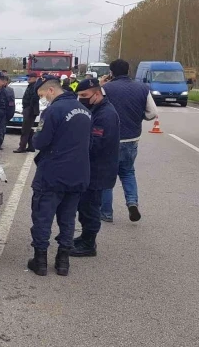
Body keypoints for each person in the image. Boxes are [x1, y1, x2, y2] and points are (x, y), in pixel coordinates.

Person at [27, 77, 91, 276]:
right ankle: (63, 262)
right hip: (78, 172)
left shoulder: (53, 111)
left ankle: (40, 261)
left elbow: (41, 141)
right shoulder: (85, 111)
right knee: (68, 219)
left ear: (51, 90)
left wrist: (34, 136)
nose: (43, 99)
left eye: (43, 95)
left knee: (42, 217)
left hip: (53, 173)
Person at [100, 59, 158, 223]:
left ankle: (106, 213)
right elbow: (152, 113)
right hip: (132, 138)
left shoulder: (106, 89)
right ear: (128, 70)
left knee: (106, 176)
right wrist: (139, 117)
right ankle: (132, 203)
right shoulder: (142, 88)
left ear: (111, 72)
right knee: (127, 172)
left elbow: (94, 107)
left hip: (110, 139)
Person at [71, 78, 120, 257]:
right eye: (79, 95)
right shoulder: (96, 109)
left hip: (98, 170)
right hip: (93, 168)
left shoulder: (105, 114)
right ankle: (85, 236)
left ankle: (89, 244)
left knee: (90, 207)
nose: (81, 99)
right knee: (85, 206)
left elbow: (96, 144)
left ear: (97, 93)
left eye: (84, 95)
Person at [14, 73, 41, 153]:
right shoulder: (31, 86)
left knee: (25, 130)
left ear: (35, 78)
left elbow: (34, 98)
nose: (29, 78)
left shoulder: (34, 86)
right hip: (28, 109)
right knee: (29, 129)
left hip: (30, 110)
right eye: (28, 77)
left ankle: (22, 147)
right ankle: (31, 146)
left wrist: (28, 109)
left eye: (31, 77)